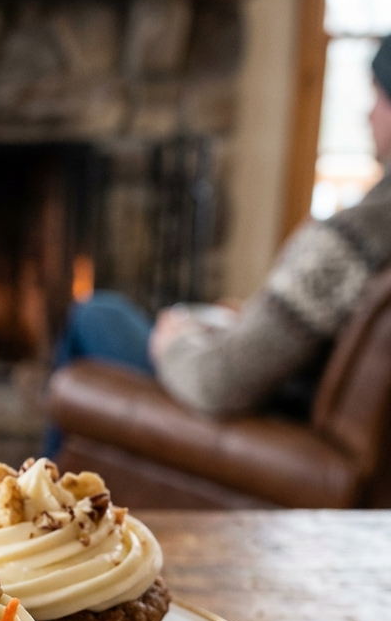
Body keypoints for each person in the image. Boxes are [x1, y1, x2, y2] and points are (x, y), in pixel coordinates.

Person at [45, 33, 391, 457]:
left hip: (255, 403)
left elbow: (217, 382)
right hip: (271, 376)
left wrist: (175, 343)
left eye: (378, 98)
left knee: (96, 315)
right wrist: (245, 321)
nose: (368, 115)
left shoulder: (356, 236)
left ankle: (36, 508)